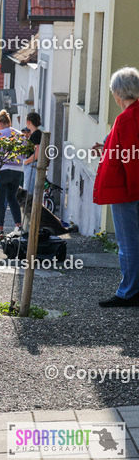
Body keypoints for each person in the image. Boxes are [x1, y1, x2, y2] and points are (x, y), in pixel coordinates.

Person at [93, 68, 139, 307]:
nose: (113, 95)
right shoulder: (134, 114)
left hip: (125, 191)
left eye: (113, 91)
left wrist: (133, 191)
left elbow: (132, 159)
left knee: (128, 242)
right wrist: (106, 147)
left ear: (119, 92)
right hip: (129, 188)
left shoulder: (127, 117)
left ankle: (128, 292)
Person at [0, 109, 24, 237]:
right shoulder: (19, 134)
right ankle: (19, 227)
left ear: (0, 123)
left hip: (0, 170)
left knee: (0, 200)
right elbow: (24, 154)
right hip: (17, 172)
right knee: (12, 198)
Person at [21, 112, 42, 194]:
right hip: (31, 165)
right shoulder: (35, 134)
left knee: (28, 193)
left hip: (31, 166)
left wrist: (26, 162)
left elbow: (37, 153)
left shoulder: (36, 134)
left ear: (29, 122)